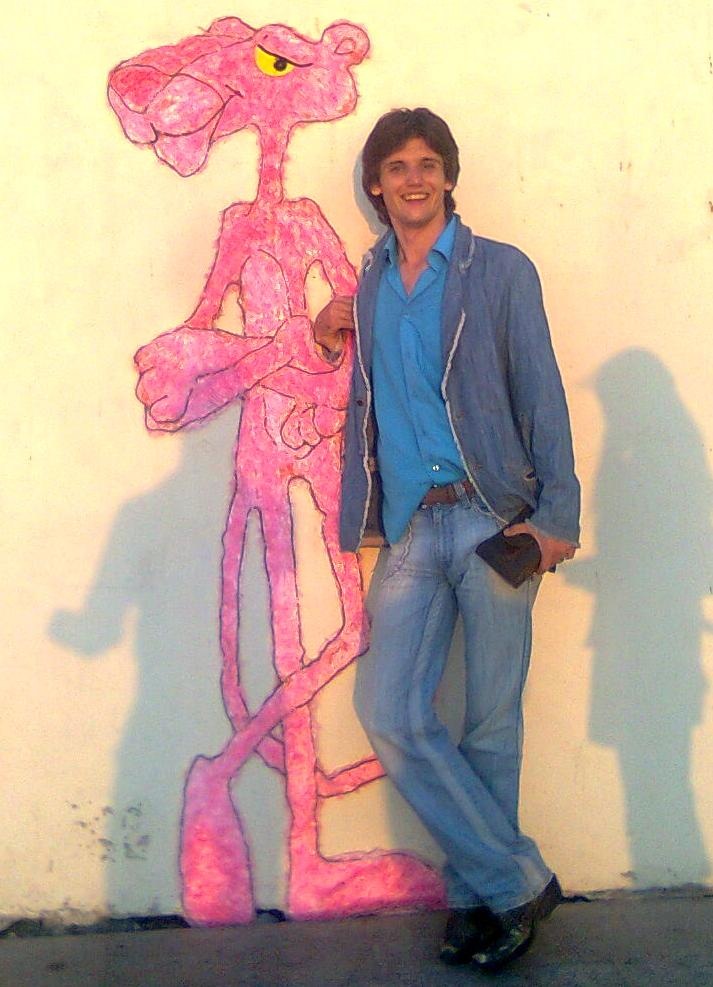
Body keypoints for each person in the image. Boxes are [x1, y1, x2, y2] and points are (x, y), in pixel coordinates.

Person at [313, 107, 580, 971]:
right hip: (410, 523)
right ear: (376, 184)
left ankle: (481, 902)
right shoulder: (370, 284)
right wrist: (327, 327)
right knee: (389, 710)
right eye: (396, 167)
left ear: (448, 176)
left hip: (491, 516)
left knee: (489, 722)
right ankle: (516, 882)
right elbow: (367, 382)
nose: (413, 179)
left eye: (427, 163)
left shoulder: (499, 270)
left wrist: (555, 520)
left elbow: (540, 392)